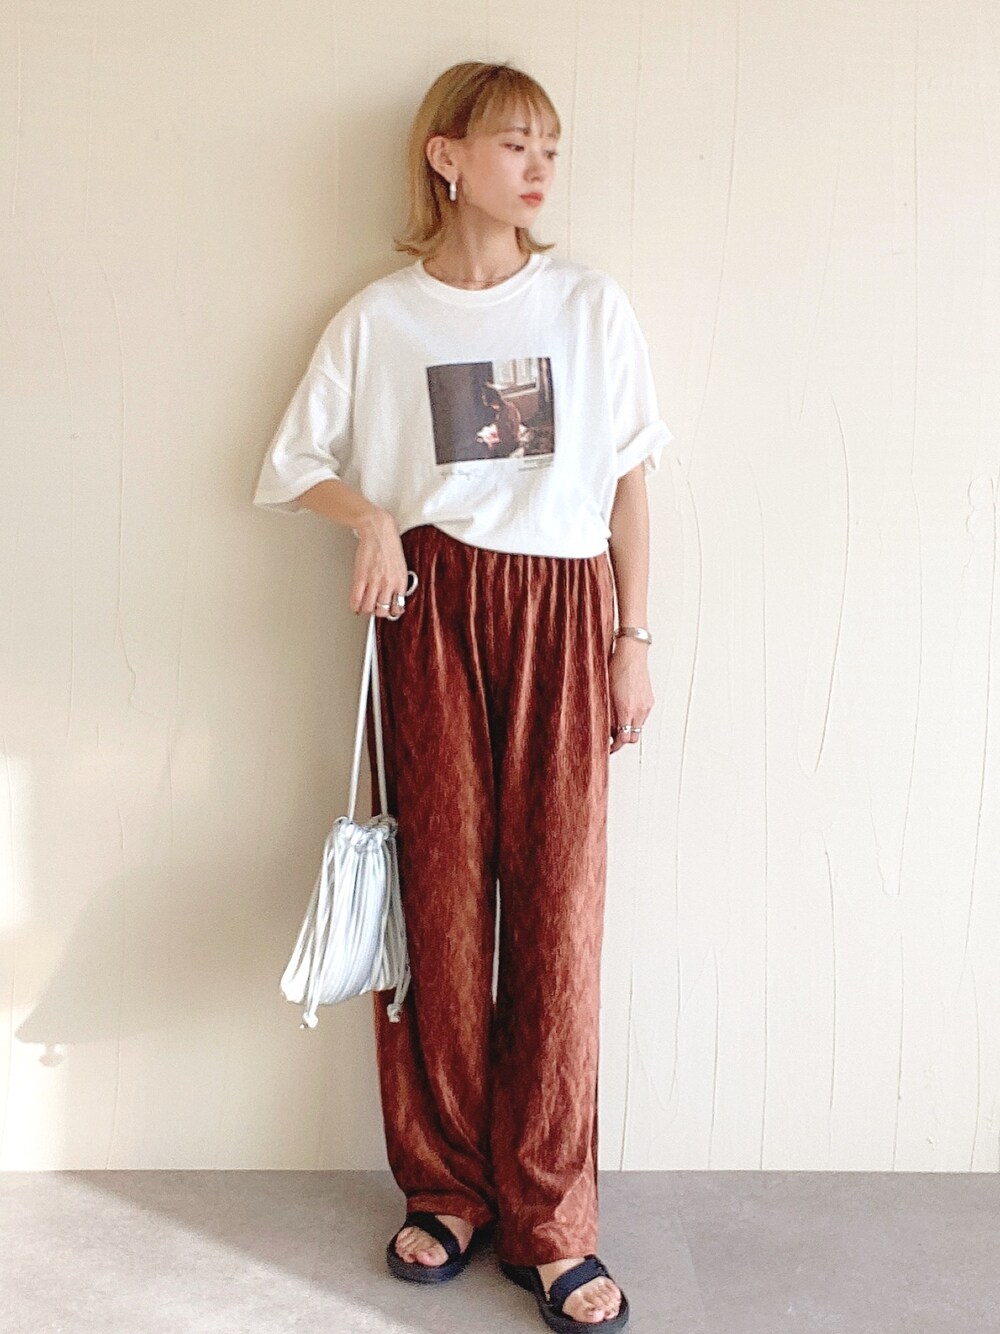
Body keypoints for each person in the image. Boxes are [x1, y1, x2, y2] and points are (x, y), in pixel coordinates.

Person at [252, 59, 674, 1333]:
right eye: (511, 143)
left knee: (557, 914)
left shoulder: (589, 305)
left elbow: (630, 481)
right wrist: (371, 517)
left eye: (550, 146)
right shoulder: (380, 318)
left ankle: (552, 1216)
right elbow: (294, 461)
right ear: (446, 156)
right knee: (436, 908)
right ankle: (444, 1184)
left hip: (562, 612)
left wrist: (631, 637)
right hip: (428, 614)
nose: (538, 167)